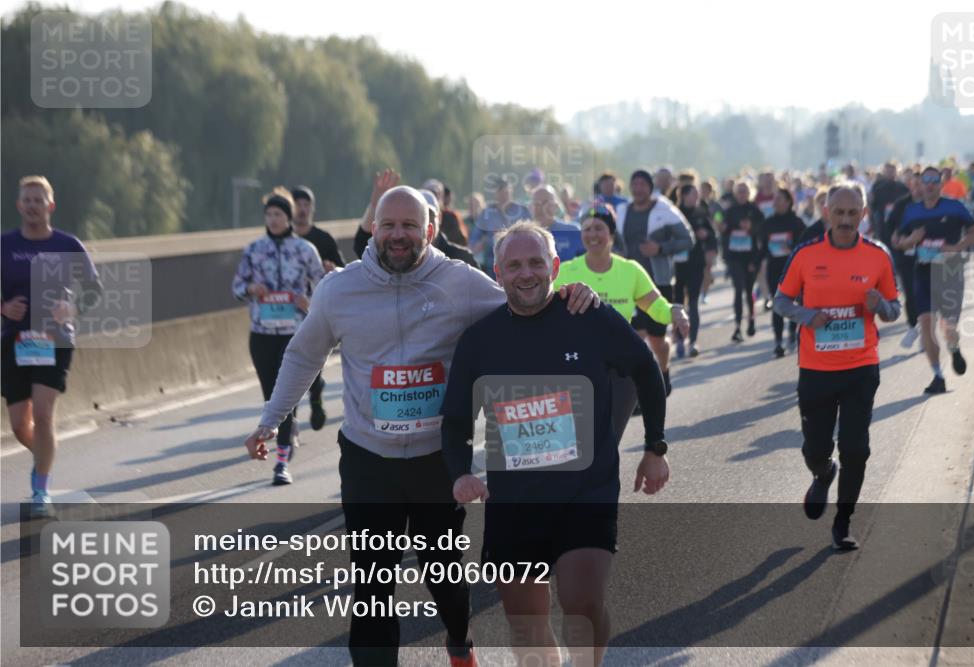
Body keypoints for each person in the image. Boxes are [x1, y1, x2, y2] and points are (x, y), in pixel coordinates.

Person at [242, 185, 599, 666]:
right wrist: (271, 419)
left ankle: (459, 642)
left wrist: (570, 293)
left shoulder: (459, 281)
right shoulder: (339, 290)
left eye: (410, 226)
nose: (398, 235)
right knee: (372, 584)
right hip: (368, 460)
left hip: (436, 460)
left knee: (444, 578)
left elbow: (523, 305)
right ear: (374, 229)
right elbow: (304, 356)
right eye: (389, 225)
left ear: (430, 231)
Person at [441, 221, 670, 667]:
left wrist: (655, 447)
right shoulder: (480, 340)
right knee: (525, 624)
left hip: (586, 492)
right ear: (498, 273)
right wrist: (461, 473)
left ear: (556, 266)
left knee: (581, 603)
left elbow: (645, 369)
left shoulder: (589, 317)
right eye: (514, 266)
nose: (526, 273)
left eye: (536, 263)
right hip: (515, 500)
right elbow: (455, 421)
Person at [774, 183, 901, 550]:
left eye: (853, 213)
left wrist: (880, 306)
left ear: (864, 215)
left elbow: (894, 309)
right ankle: (823, 471)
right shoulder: (806, 255)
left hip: (861, 367)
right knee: (815, 447)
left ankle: (843, 523)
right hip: (816, 369)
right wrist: (807, 316)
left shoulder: (878, 256)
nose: (846, 220)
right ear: (826, 213)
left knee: (856, 449)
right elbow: (780, 301)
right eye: (839, 213)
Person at [2, 175, 102, 518]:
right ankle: (44, 456)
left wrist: (71, 308)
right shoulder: (4, 244)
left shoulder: (68, 244)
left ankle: (40, 491)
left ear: (50, 206)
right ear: (19, 205)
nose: (32, 206)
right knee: (20, 425)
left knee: (43, 415)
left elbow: (93, 289)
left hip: (55, 340)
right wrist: (3, 308)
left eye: (38, 200)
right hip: (14, 340)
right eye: (27, 200)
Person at [554, 204, 689, 438]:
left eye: (599, 228)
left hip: (618, 370)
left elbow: (656, 307)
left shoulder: (630, 270)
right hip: (577, 368)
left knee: (609, 438)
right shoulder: (565, 272)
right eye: (587, 229)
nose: (592, 234)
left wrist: (675, 311)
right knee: (578, 439)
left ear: (612, 234)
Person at [232, 187, 324, 485]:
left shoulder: (305, 250)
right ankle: (285, 435)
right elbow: (236, 287)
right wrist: (251, 289)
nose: (273, 219)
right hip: (262, 334)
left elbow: (324, 287)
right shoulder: (253, 250)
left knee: (286, 398)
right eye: (269, 214)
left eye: (278, 214)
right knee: (271, 398)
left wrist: (309, 301)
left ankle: (281, 462)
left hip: (294, 334)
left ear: (289, 217)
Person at [895, 166, 974, 394]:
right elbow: (897, 240)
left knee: (948, 326)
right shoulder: (912, 211)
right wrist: (911, 240)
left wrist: (957, 247)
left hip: (949, 273)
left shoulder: (954, 207)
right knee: (926, 323)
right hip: (923, 272)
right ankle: (937, 375)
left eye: (934, 180)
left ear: (941, 184)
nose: (930, 184)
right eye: (926, 180)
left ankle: (954, 349)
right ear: (920, 184)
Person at [616, 169, 694, 397]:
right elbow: (613, 240)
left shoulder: (664, 210)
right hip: (630, 283)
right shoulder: (622, 211)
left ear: (650, 188)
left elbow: (687, 239)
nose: (638, 188)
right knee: (636, 338)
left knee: (657, 340)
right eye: (635, 184)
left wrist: (660, 248)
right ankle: (639, 390)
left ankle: (664, 370)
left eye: (643, 184)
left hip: (658, 282)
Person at [290, 185, 344, 432]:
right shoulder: (281, 241)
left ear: (312, 208)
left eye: (306, 204)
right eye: (297, 204)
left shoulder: (323, 239)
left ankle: (316, 394)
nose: (302, 209)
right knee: (288, 367)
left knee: (312, 361)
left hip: (316, 311)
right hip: (286, 316)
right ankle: (289, 423)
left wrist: (332, 269)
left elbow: (344, 272)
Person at [759, 188, 806, 357]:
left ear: (788, 202)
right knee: (777, 304)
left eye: (779, 199)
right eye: (775, 199)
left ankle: (792, 331)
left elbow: (804, 245)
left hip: (793, 269)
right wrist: (757, 263)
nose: (776, 202)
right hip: (774, 268)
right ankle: (778, 341)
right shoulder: (768, 223)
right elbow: (763, 247)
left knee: (793, 303)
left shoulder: (797, 223)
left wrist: (791, 246)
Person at [674, 184, 716, 357]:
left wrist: (706, 235)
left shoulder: (701, 212)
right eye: (693, 194)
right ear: (684, 195)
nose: (696, 198)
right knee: (677, 304)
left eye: (697, 195)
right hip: (677, 264)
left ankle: (692, 342)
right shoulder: (675, 213)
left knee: (693, 303)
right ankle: (679, 340)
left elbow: (712, 235)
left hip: (696, 263)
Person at [885, 172, 924, 349]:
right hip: (906, 255)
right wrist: (895, 237)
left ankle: (925, 331)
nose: (917, 188)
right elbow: (890, 225)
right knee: (910, 293)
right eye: (914, 184)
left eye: (920, 184)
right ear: (910, 185)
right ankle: (913, 327)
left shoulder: (932, 203)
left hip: (928, 255)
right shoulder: (902, 204)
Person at [721, 181, 764, 342]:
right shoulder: (730, 210)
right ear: (735, 193)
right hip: (734, 257)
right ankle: (737, 326)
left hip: (750, 257)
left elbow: (763, 228)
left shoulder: (754, 209)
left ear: (749, 193)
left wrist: (751, 227)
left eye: (745, 191)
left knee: (748, 289)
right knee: (738, 289)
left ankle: (751, 320)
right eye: (739, 191)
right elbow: (721, 224)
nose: (742, 194)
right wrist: (723, 226)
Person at [470, 178, 531, 278]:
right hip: (493, 266)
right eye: (500, 191)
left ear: (511, 191)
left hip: (518, 263)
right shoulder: (487, 213)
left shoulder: (522, 211)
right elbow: (474, 241)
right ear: (495, 193)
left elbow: (532, 233)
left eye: (506, 191)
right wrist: (485, 241)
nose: (504, 195)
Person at [531, 185, 583, 261]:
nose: (541, 207)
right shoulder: (525, 235)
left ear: (555, 205)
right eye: (537, 203)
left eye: (546, 202)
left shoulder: (572, 231)